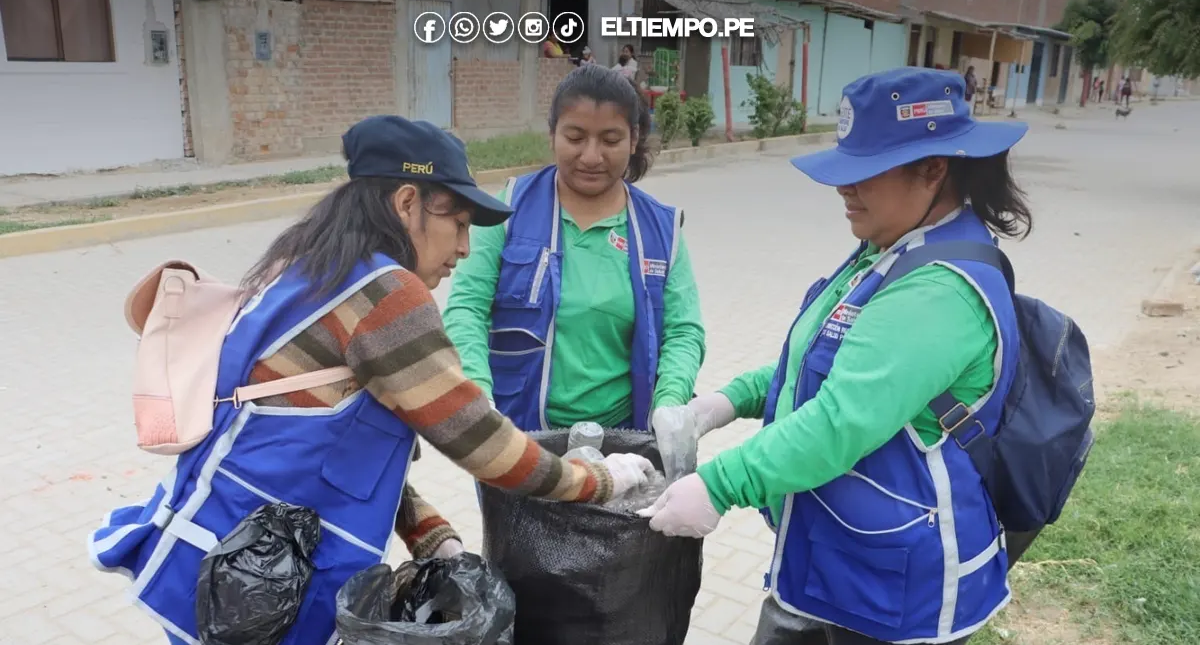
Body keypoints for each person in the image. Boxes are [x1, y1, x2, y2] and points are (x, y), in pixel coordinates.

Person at [88, 115, 657, 645]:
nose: (464, 246)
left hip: (218, 562)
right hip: (266, 583)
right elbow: (484, 445)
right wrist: (598, 481)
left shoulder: (310, 269)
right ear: (407, 201)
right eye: (457, 222)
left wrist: (431, 536)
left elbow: (331, 450)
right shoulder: (386, 294)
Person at [640, 67, 1033, 645]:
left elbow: (841, 419)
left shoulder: (939, 290)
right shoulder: (886, 251)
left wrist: (720, 484)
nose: (844, 189)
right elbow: (815, 363)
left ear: (933, 169)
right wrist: (724, 403)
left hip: (896, 593)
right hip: (835, 554)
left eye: (865, 173)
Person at [442, 64, 705, 434]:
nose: (592, 156)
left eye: (610, 140)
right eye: (576, 137)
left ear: (633, 139)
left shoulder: (661, 231)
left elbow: (683, 331)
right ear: (553, 134)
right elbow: (466, 308)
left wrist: (670, 403)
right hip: (518, 439)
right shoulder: (508, 212)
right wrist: (477, 397)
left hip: (626, 442)